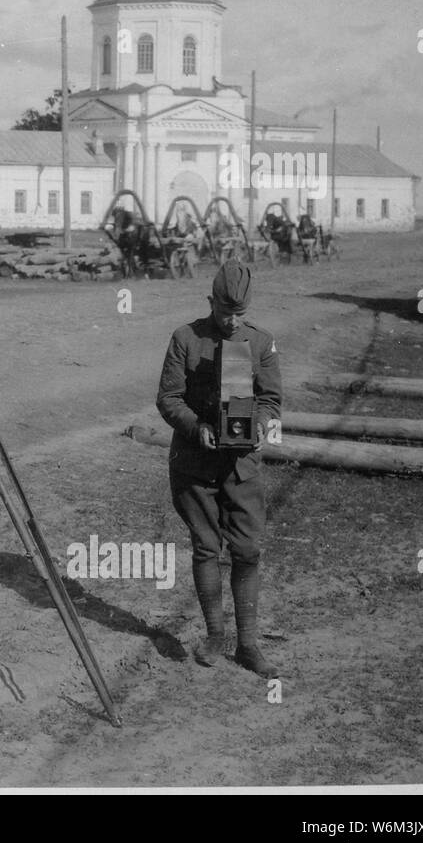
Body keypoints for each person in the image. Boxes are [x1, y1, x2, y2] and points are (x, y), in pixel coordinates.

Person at [156, 259, 282, 677]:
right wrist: (198, 427)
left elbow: (270, 398)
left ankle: (248, 644)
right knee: (207, 548)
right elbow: (169, 399)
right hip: (196, 464)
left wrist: (261, 425)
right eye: (225, 312)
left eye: (239, 314)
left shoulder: (261, 343)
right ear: (210, 301)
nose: (231, 322)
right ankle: (214, 635)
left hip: (242, 466)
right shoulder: (185, 339)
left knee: (248, 551)